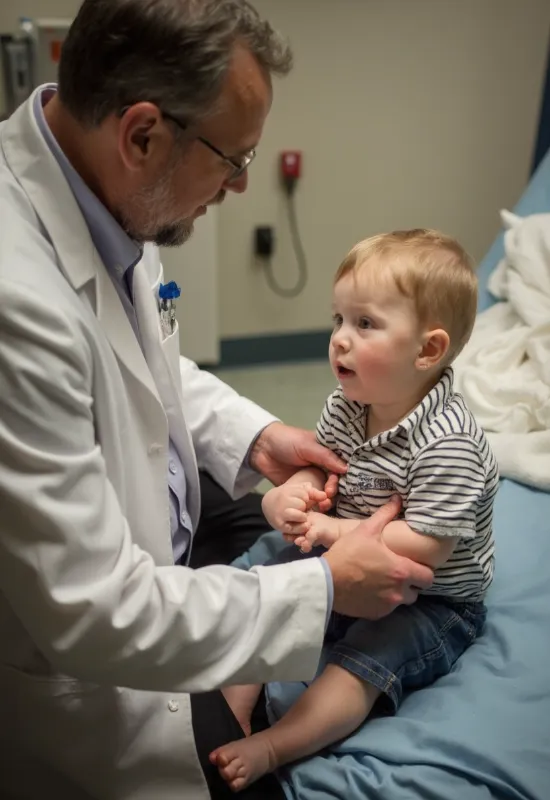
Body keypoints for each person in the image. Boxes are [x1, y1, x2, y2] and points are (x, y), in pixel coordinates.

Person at [0, 2, 434, 798]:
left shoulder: (95, 191)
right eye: (233, 158)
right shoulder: (13, 299)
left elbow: (146, 366)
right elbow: (99, 612)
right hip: (97, 670)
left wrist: (258, 435)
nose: (239, 185)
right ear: (141, 136)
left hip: (154, 527)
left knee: (278, 526)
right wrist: (329, 588)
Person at [211, 229, 499, 792]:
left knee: (364, 662)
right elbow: (325, 466)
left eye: (364, 324)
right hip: (340, 555)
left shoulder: (451, 443)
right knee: (266, 587)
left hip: (426, 596)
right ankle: (230, 713)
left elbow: (423, 548)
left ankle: (274, 744)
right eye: (338, 320)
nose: (339, 339)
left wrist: (332, 529)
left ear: (427, 350)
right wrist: (295, 491)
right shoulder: (348, 404)